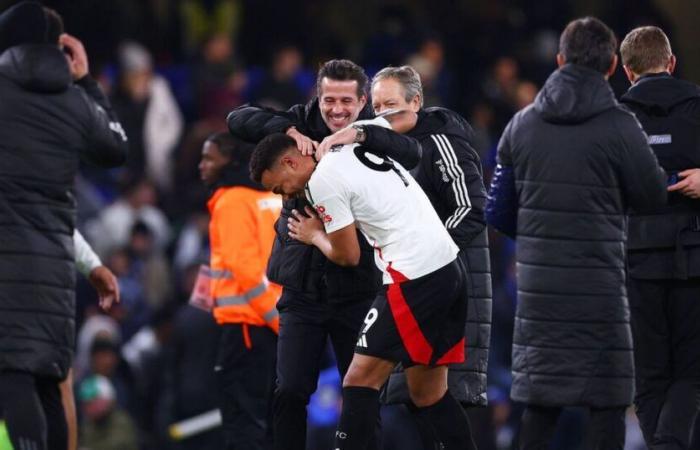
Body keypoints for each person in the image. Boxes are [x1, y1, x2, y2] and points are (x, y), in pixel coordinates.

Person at [485, 17, 666, 449]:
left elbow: (498, 210)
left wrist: (536, 235)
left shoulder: (521, 125)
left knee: (540, 404)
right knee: (605, 404)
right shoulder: (621, 126)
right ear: (609, 69)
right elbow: (653, 196)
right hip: (601, 288)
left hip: (539, 290)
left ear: (560, 60)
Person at [227, 59, 421, 450]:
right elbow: (237, 119)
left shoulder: (373, 127)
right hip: (302, 289)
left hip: (358, 286)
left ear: (363, 100)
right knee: (291, 389)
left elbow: (411, 152)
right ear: (317, 96)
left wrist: (359, 135)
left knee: (364, 393)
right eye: (328, 99)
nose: (336, 109)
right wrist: (286, 130)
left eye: (346, 101)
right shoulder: (301, 120)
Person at [249, 112, 473, 450]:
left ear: (291, 162)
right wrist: (355, 130)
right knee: (428, 393)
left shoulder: (322, 179)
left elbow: (347, 255)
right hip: (450, 268)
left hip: (413, 275)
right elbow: (390, 124)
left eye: (278, 185)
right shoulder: (352, 142)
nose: (283, 194)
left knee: (358, 380)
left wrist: (313, 236)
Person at [0, 2, 128, 450]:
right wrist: (88, 81)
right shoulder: (74, 100)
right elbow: (116, 147)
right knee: (49, 381)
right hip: (55, 271)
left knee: (12, 374)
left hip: (7, 267)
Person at [369, 65, 490, 448]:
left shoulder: (441, 142)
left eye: (391, 103)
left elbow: (471, 208)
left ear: (416, 101)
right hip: (410, 289)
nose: (383, 113)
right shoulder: (382, 154)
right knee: (417, 400)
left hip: (450, 286)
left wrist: (427, 259)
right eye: (376, 106)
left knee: (444, 396)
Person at [619, 26, 700, 449]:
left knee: (649, 377)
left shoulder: (614, 117)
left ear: (628, 71)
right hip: (693, 258)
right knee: (691, 372)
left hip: (635, 261)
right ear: (671, 63)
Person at [199, 131, 281, 449]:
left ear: (230, 160)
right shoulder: (271, 197)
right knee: (273, 425)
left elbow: (245, 271)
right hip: (274, 331)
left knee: (243, 426)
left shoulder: (231, 200)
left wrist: (277, 321)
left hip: (248, 329)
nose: (201, 165)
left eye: (209, 157)